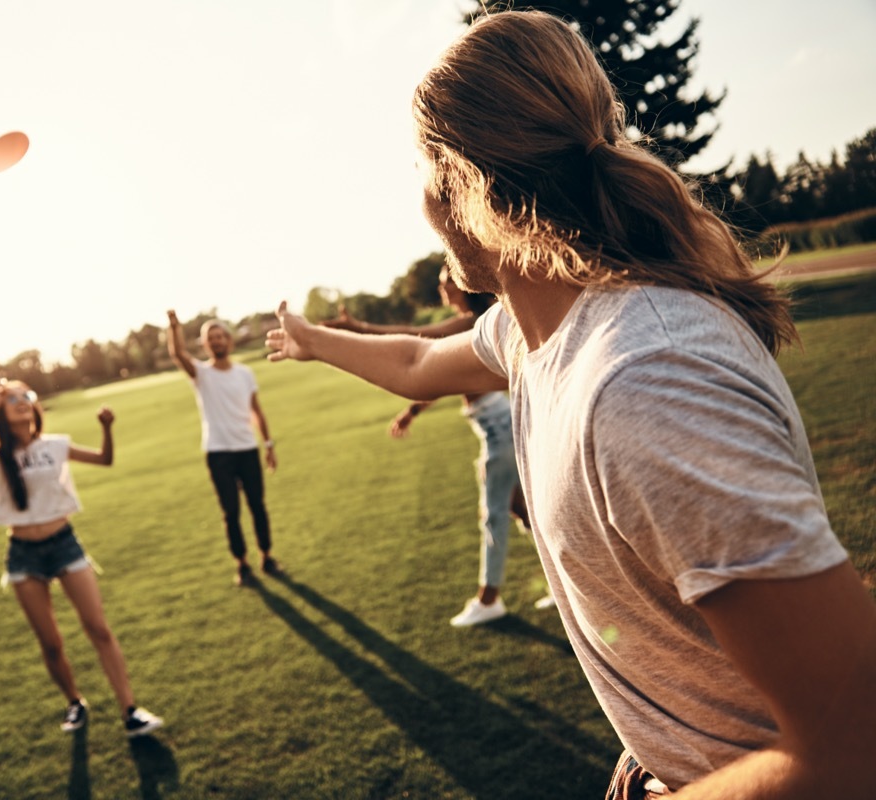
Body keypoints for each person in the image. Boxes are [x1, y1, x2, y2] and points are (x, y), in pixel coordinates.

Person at [265, 10, 876, 797]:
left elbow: (852, 747)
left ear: (463, 182)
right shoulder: (536, 333)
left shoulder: (646, 381)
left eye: (423, 166)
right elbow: (419, 360)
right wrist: (314, 339)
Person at [326, 271, 553, 626]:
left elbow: (415, 343)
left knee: (493, 515)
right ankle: (560, 582)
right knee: (522, 510)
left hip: (499, 430)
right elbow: (440, 377)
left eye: (446, 280)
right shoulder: (472, 321)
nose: (441, 286)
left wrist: (355, 327)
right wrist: (413, 410)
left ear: (462, 285)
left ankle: (489, 599)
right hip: (498, 424)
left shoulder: (469, 323)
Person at [0, 379, 163, 737]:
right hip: (23, 556)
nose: (20, 401)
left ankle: (130, 710)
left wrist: (106, 428)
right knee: (51, 643)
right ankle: (74, 701)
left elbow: (105, 459)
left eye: (25, 395)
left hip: (65, 544)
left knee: (99, 628)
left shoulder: (56, 445)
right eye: (10, 398)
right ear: (1, 410)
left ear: (35, 405)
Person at [166, 311, 281, 587]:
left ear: (228, 340)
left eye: (220, 336)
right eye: (211, 339)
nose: (217, 342)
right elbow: (178, 354)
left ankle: (267, 556)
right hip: (218, 452)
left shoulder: (245, 374)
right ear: (205, 345)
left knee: (257, 506)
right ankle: (242, 564)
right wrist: (173, 327)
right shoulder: (201, 375)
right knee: (231, 511)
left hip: (247, 448)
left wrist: (267, 444)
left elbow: (257, 411)